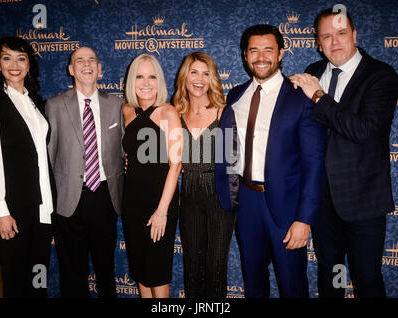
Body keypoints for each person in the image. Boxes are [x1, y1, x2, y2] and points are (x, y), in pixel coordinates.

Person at [289, 8, 398, 298]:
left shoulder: (380, 76)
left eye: (340, 33)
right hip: (322, 202)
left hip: (363, 201)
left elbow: (362, 129)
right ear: (318, 41)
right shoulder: (312, 73)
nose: (334, 42)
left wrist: (318, 97)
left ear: (353, 34)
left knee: (366, 278)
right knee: (331, 274)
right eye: (326, 36)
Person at [215, 24, 325, 298]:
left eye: (268, 50)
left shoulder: (301, 95)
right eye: (254, 50)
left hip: (287, 208)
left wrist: (304, 219)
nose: (261, 57)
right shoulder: (236, 95)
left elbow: (314, 163)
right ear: (245, 55)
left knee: (292, 285)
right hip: (246, 201)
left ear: (280, 54)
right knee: (253, 282)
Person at [0, 36, 53, 297]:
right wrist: (0, 210)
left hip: (43, 205)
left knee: (39, 275)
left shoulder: (37, 102)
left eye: (21, 58)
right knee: (15, 280)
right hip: (13, 208)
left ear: (29, 65)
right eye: (7, 58)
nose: (14, 64)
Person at [45, 47, 124, 298]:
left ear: (100, 69)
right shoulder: (54, 105)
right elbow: (49, 155)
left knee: (105, 268)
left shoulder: (117, 105)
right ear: (71, 70)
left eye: (92, 60)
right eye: (80, 60)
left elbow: (126, 150)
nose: (86, 64)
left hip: (104, 197)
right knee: (72, 272)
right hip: (69, 199)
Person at [173, 52, 235, 298]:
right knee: (192, 265)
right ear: (185, 76)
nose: (199, 79)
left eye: (206, 73)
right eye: (194, 72)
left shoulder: (224, 112)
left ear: (213, 79)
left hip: (219, 193)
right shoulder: (175, 113)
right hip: (189, 193)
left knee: (215, 267)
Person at [122, 54, 182, 298]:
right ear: (131, 80)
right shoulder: (126, 110)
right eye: (139, 76)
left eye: (151, 77)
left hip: (160, 203)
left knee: (157, 273)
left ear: (160, 81)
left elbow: (176, 165)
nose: (145, 83)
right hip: (132, 202)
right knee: (140, 272)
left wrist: (162, 211)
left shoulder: (168, 112)